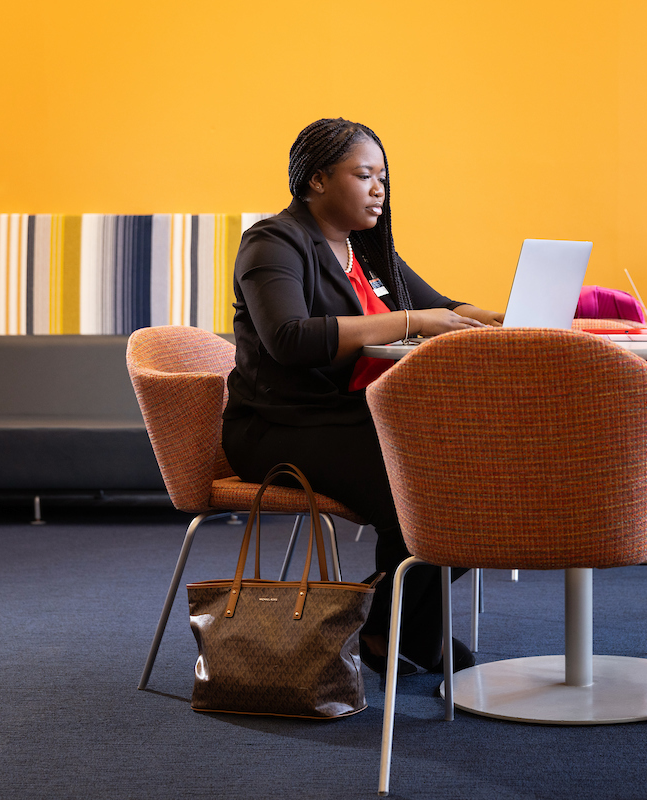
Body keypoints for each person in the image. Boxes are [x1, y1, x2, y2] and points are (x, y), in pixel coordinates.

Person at [221, 118, 504, 675]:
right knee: (425, 489)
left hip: (350, 415)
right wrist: (412, 320)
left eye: (383, 176)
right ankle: (393, 629)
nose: (379, 189)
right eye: (364, 174)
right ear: (319, 180)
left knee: (480, 476)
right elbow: (289, 339)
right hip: (280, 425)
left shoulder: (364, 251)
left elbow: (440, 304)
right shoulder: (273, 241)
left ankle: (392, 625)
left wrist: (505, 319)